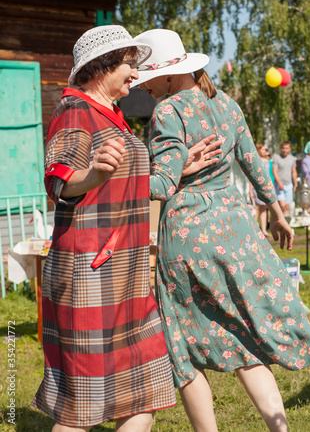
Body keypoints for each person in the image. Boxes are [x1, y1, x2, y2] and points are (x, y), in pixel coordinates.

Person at [133, 28, 310, 432]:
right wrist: (278, 212)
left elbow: (162, 185)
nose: (144, 86)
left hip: (187, 236)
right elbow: (254, 164)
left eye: (147, 76)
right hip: (236, 229)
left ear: (168, 75)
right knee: (244, 339)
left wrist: (117, 177)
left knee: (180, 342)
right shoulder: (229, 105)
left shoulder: (168, 112)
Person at [32, 25, 182, 432]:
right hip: (91, 275)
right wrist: (92, 174)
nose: (136, 75)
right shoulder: (75, 110)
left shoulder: (113, 117)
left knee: (144, 393)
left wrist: (185, 168)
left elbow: (127, 181)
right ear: (102, 66)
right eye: (130, 65)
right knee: (83, 410)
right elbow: (58, 178)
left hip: (128, 274)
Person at [249, 143, 270, 236]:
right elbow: (252, 175)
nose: (264, 151)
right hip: (257, 186)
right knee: (257, 208)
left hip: (265, 186)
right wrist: (250, 190)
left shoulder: (267, 160)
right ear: (258, 150)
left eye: (265, 149)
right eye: (262, 149)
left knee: (264, 209)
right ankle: (255, 229)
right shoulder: (256, 161)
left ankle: (264, 229)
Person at [272, 141, 298, 216]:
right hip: (279, 185)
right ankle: (281, 223)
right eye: (283, 148)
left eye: (286, 148)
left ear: (289, 149)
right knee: (282, 206)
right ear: (281, 148)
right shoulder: (277, 158)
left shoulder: (292, 159)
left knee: (287, 206)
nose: (285, 150)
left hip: (289, 185)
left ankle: (287, 224)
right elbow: (275, 172)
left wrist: (295, 183)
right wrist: (279, 183)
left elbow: (294, 171)